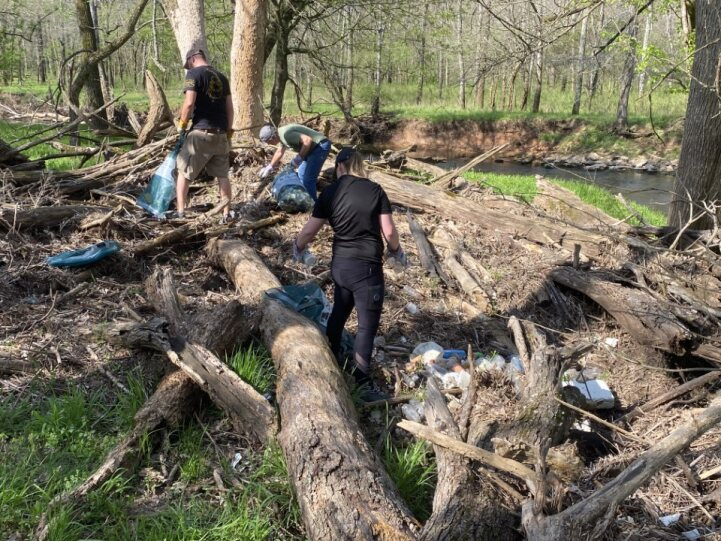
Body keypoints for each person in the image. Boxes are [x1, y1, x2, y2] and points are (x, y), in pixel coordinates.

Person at [293, 148, 408, 401]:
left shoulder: (330, 192)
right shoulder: (375, 190)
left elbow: (310, 231)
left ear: (339, 167)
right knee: (367, 326)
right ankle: (363, 382)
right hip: (367, 269)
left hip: (341, 266)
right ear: (358, 165)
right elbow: (388, 232)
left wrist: (298, 246)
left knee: (339, 311)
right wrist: (397, 251)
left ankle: (332, 355)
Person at [175, 48, 234, 222]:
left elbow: (189, 103)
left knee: (183, 171)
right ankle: (226, 213)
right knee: (222, 175)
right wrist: (228, 132)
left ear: (192, 59)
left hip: (201, 133)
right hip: (221, 134)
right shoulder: (222, 77)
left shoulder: (193, 74)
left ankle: (180, 212)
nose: (188, 68)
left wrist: (182, 126)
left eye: (188, 64)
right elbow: (230, 109)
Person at [258, 123, 331, 201]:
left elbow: (307, 140)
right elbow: (280, 151)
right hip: (312, 149)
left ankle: (314, 206)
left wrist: (298, 159)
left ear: (273, 137)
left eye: (268, 141)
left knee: (308, 179)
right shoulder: (280, 135)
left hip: (320, 147)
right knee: (301, 174)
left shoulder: (286, 135)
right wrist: (270, 167)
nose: (268, 144)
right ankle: (306, 200)